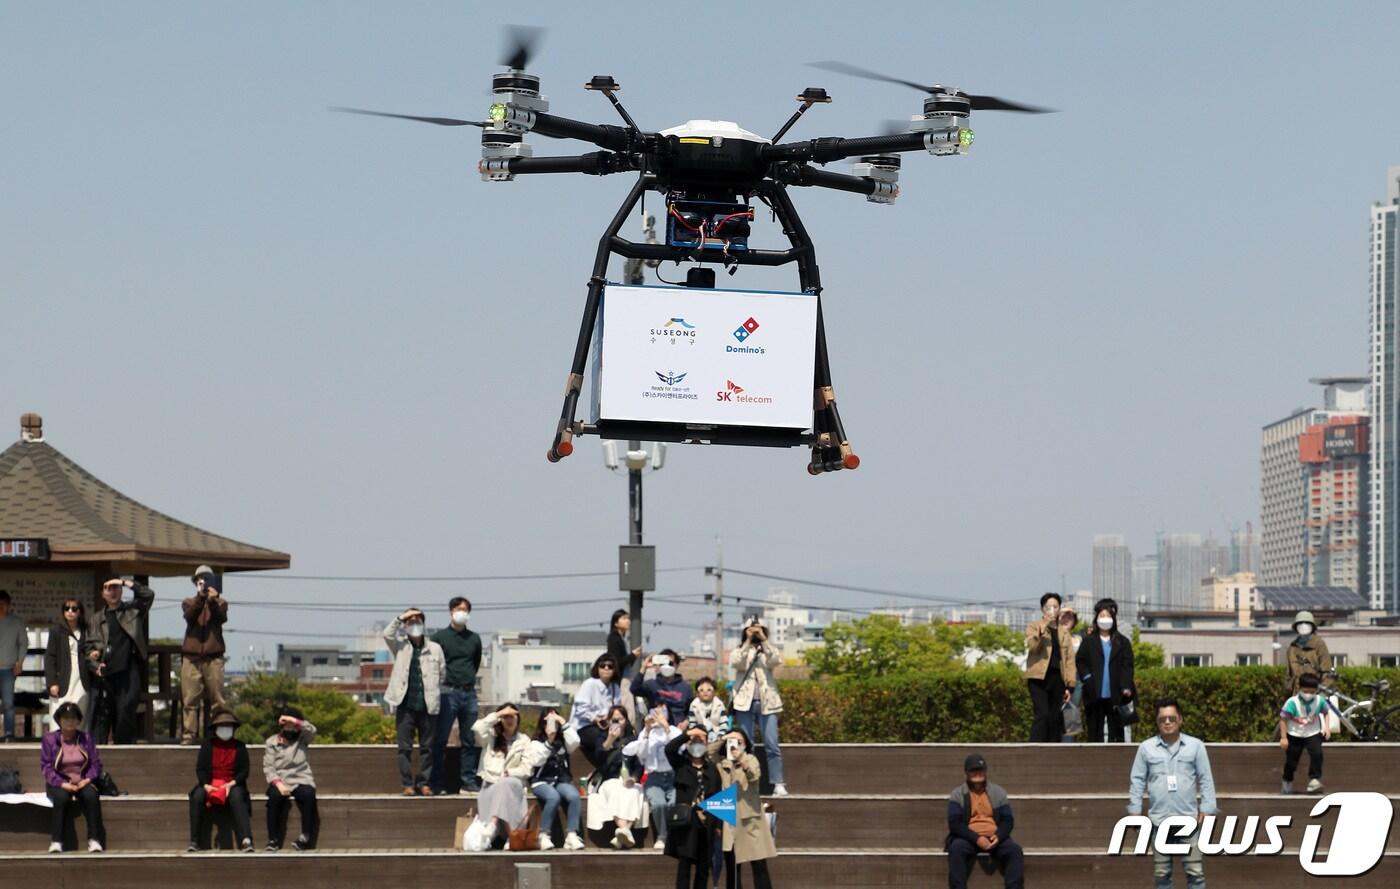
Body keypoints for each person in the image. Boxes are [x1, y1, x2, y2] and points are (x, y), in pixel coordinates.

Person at [1127, 698, 1216, 889]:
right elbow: (1137, 780)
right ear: (1157, 722)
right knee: (1162, 875)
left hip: (1189, 820)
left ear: (1180, 719)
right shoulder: (1146, 748)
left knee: (1195, 873)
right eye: (1162, 719)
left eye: (1172, 718)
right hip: (1159, 821)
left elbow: (1206, 778)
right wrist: (1135, 811)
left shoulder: (1196, 746)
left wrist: (1207, 808)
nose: (1167, 722)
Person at [83, 577, 155, 745]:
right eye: (108, 588)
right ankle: (97, 759)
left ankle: (125, 752)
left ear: (121, 591)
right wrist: (94, 664)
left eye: (116, 588)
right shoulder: (96, 619)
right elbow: (88, 647)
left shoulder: (132, 611)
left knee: (125, 713)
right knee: (101, 716)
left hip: (129, 670)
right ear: (102, 593)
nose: (112, 591)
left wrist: (125, 582)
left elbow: (148, 595)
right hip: (105, 672)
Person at [383, 607, 445, 795]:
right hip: (405, 704)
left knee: (428, 747)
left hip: (428, 704)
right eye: (411, 621)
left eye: (418, 621)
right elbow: (387, 633)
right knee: (404, 747)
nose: (414, 624)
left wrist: (432, 690)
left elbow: (442, 674)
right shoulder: (400, 645)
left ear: (424, 625)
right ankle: (407, 784)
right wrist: (402, 617)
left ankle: (424, 783)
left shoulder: (435, 648)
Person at [944, 753, 1024, 889]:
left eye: (980, 770)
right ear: (966, 773)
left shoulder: (998, 792)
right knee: (956, 848)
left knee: (1015, 850)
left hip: (994, 837)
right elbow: (955, 823)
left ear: (985, 771)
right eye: (973, 770)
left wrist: (998, 836)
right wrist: (976, 838)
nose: (977, 773)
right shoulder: (958, 794)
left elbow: (1007, 820)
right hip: (969, 837)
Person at [728, 618, 788, 796]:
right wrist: (747, 641)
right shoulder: (740, 650)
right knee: (745, 744)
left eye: (758, 630)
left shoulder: (767, 650)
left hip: (767, 703)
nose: (754, 633)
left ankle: (778, 783)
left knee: (772, 744)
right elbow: (737, 663)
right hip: (743, 703)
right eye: (751, 630)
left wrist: (764, 640)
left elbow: (776, 661)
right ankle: (745, 782)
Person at [429, 596, 483, 795]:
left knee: (469, 738)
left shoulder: (474, 639)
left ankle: (468, 781)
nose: (462, 613)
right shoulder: (440, 638)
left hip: (469, 692)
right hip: (447, 691)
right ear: (451, 611)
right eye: (459, 609)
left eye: (466, 610)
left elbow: (475, 663)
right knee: (440, 738)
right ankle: (437, 782)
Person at [715, 726, 777, 889]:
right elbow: (707, 753)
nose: (735, 745)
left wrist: (741, 757)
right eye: (732, 742)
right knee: (732, 868)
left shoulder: (750, 759)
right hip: (729, 819)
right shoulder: (722, 763)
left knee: (759, 865)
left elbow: (754, 776)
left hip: (749, 819)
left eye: (739, 741)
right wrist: (723, 738)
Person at [39, 702, 105, 853]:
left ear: (78, 721)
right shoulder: (49, 739)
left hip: (82, 780)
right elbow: (46, 767)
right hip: (59, 782)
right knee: (61, 798)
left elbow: (96, 764)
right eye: (65, 718)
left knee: (91, 795)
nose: (69, 721)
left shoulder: (86, 738)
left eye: (73, 718)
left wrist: (87, 780)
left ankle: (94, 839)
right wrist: (62, 784)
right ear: (59, 720)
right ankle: (56, 841)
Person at [188, 707, 254, 852]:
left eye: (228, 726)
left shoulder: (240, 746)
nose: (225, 729)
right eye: (222, 726)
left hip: (232, 783)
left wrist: (231, 784)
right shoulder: (207, 745)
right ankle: (194, 841)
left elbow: (244, 771)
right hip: (210, 783)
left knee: (237, 797)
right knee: (197, 796)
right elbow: (200, 768)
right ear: (216, 728)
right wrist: (206, 785)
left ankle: (246, 840)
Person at [664, 725, 721, 889]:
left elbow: (717, 796)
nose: (698, 743)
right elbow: (669, 749)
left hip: (706, 823)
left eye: (701, 740)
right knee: (684, 866)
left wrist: (718, 825)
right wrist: (688, 734)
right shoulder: (681, 764)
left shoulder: (712, 769)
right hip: (686, 823)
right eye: (694, 740)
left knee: (703, 867)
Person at [471, 703, 534, 848]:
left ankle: (493, 824)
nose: (509, 720)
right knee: (501, 788)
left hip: (515, 786)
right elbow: (477, 727)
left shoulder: (524, 740)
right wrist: (497, 714)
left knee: (506, 784)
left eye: (512, 717)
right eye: (505, 717)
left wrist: (509, 773)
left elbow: (527, 768)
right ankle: (512, 836)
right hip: (490, 786)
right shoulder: (491, 738)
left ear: (518, 719)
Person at [584, 704, 647, 849]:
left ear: (626, 720)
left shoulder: (633, 739)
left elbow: (639, 764)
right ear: (609, 721)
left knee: (634, 792)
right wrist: (610, 740)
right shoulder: (602, 737)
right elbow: (599, 758)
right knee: (615, 791)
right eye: (614, 719)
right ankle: (625, 830)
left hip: (629, 780)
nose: (618, 722)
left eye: (621, 719)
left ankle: (622, 833)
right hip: (609, 779)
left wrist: (635, 778)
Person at [180, 566, 228, 746]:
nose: (203, 583)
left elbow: (221, 618)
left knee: (218, 700)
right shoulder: (188, 602)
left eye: (206, 579)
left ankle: (221, 734)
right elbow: (190, 616)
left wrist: (213, 600)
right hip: (191, 658)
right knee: (190, 699)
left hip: (214, 657)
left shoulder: (221, 603)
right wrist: (201, 597)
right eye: (200, 580)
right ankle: (188, 735)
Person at [1076, 598, 1135, 743]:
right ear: (1096, 618)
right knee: (1095, 731)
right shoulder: (1089, 641)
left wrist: (1126, 685)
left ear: (1113, 619)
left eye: (1108, 616)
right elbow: (1080, 661)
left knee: (1116, 731)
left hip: (1116, 693)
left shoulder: (1122, 642)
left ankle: (1116, 761)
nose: (1105, 619)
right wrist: (1088, 678)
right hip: (1094, 692)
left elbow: (1128, 665)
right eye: (1102, 616)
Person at [624, 702, 682, 849]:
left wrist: (666, 728)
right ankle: (662, 836)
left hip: (673, 776)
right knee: (659, 804)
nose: (657, 716)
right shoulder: (646, 733)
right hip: (654, 777)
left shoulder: (674, 731)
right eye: (654, 712)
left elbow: (679, 749)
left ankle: (673, 836)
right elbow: (641, 756)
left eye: (661, 712)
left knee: (673, 804)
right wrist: (647, 731)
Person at [527, 708, 584, 851]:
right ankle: (543, 834)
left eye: (555, 720)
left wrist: (563, 722)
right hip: (541, 781)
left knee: (574, 796)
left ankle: (571, 834)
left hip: (561, 780)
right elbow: (537, 761)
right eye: (549, 720)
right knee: (553, 797)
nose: (552, 724)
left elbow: (575, 741)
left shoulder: (563, 742)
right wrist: (549, 740)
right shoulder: (536, 742)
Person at [263, 707, 319, 851]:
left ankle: (305, 836)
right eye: (286, 724)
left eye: (292, 725)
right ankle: (272, 839)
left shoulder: (303, 738)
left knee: (308, 795)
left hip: (301, 777)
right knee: (274, 798)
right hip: (280, 779)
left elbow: (312, 730)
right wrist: (278, 783)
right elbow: (269, 767)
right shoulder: (272, 742)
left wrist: (294, 720)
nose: (290, 728)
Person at [1023, 592, 1075, 742]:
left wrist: (1070, 686)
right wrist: (1043, 626)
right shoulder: (1034, 626)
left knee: (1054, 717)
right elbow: (1032, 646)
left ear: (1059, 609)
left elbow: (1069, 660)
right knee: (1042, 714)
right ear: (1042, 609)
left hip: (1057, 678)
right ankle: (1035, 749)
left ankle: (1053, 750)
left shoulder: (1064, 632)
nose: (1052, 610)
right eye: (1048, 607)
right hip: (1038, 678)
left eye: (1055, 607)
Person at [45, 598, 93, 734]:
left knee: (80, 714)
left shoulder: (87, 630)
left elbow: (93, 648)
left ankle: (79, 749)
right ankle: (57, 749)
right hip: (61, 680)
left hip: (82, 679)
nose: (70, 611)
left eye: (74, 608)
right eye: (67, 608)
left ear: (80, 612)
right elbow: (49, 657)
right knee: (59, 713)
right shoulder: (56, 631)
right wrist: (52, 682)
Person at [1279, 673, 1330, 794]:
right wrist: (1283, 737)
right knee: (1292, 761)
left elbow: (1326, 712)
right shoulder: (1292, 702)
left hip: (1312, 733)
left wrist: (1326, 727)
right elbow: (1283, 719)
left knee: (1317, 754)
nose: (1309, 695)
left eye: (1312, 692)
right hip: (1295, 734)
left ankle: (1314, 779)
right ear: (1300, 689)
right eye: (1306, 691)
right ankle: (1287, 781)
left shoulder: (1319, 700)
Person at [569, 653, 623, 754]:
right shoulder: (589, 684)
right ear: (597, 668)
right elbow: (580, 710)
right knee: (601, 740)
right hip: (585, 726)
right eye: (602, 666)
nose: (606, 668)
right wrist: (595, 719)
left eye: (610, 666)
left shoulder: (615, 688)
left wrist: (608, 719)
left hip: (607, 726)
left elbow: (618, 710)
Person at [634, 649, 695, 728]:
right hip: (656, 729)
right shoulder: (652, 684)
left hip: (677, 731)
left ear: (677, 665)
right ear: (659, 665)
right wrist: (644, 668)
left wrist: (685, 722)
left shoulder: (686, 688)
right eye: (663, 663)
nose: (667, 666)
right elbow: (634, 689)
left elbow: (691, 710)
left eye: (671, 663)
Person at [0, 590, 26, 742]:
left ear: (9, 605)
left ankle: (9, 734)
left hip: (8, 670)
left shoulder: (16, 622)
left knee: (8, 704)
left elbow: (23, 643)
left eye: (3, 604)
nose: (1, 607)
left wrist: (20, 662)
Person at [1286, 611, 1330, 693]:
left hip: (1315, 692)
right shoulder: (1292, 648)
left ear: (1312, 626)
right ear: (1296, 627)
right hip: (1297, 693)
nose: (1303, 625)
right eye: (1300, 623)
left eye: (1306, 623)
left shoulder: (1319, 644)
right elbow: (1289, 674)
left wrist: (1321, 691)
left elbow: (1326, 671)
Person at [1059, 608, 1083, 742]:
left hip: (1076, 681)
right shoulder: (1053, 636)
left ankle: (1067, 746)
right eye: (1063, 617)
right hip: (1058, 679)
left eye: (1070, 617)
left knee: (1070, 716)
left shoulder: (1078, 639)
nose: (1066, 620)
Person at [688, 676, 729, 743]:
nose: (705, 692)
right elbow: (692, 723)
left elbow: (724, 723)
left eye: (709, 690)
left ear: (714, 692)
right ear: (697, 693)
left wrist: (721, 736)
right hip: (700, 735)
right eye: (701, 690)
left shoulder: (719, 704)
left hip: (717, 734)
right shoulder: (694, 705)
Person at [607, 608, 641, 677]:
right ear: (616, 623)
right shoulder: (614, 638)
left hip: (625, 677)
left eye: (628, 618)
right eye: (624, 618)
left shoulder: (622, 639)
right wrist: (632, 655)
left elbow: (627, 664)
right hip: (620, 679)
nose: (628, 621)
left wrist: (633, 656)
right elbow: (616, 661)